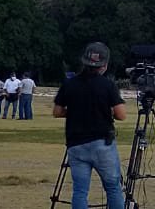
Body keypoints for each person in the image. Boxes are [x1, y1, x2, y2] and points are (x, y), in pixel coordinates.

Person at [54, 42, 126, 209]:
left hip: (76, 144)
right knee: (113, 187)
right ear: (104, 65)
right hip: (102, 144)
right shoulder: (108, 85)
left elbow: (57, 111)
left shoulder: (70, 83)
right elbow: (121, 114)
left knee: (80, 191)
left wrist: (74, 111)